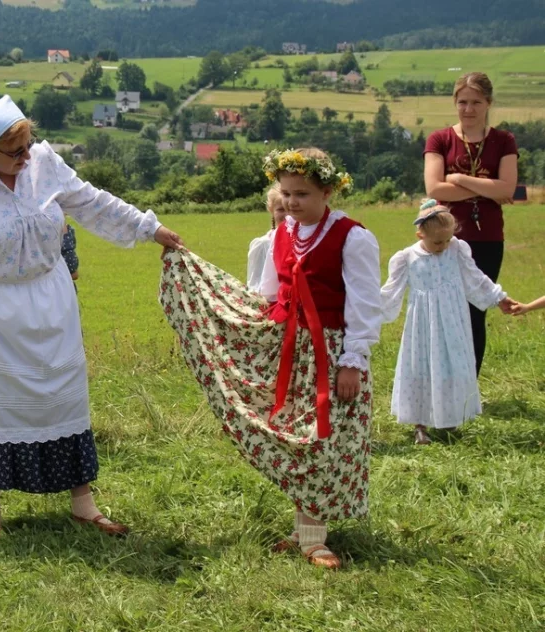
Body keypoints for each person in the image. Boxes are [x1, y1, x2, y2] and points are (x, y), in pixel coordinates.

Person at [0, 95, 182, 540]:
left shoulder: (44, 164)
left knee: (62, 397)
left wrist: (149, 229)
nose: (26, 157)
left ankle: (83, 502)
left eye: (27, 146)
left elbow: (93, 203)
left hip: (50, 302)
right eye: (14, 151)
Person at [159, 147, 381, 569]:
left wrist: (353, 359)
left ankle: (314, 538)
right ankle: (305, 530)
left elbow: (365, 304)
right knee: (292, 437)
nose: (292, 203)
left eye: (302, 194)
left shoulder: (351, 236)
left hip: (330, 353)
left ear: (328, 191)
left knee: (321, 439)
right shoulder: (282, 234)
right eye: (286, 193)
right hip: (288, 352)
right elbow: (267, 296)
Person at [380, 200, 516, 445]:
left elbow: (475, 278)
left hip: (454, 320)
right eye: (436, 242)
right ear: (420, 233)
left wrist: (498, 298)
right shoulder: (407, 258)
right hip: (424, 325)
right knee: (422, 368)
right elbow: (390, 292)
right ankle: (420, 424)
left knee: (453, 366)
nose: (442, 246)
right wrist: (366, 311)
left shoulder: (457, 249)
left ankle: (450, 416)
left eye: (446, 240)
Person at [424, 71, 519, 376]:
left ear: (488, 103)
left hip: (488, 238)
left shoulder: (504, 141)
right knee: (445, 311)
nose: (469, 109)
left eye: (476, 102)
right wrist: (487, 187)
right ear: (455, 103)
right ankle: (442, 382)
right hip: (444, 237)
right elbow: (434, 189)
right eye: (463, 101)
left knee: (475, 311)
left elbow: (508, 189)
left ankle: (468, 387)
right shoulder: (440, 139)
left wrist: (459, 178)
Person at [247, 182, 288, 293]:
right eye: (281, 209)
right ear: (271, 210)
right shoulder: (263, 244)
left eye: (289, 208)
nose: (287, 215)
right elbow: (255, 286)